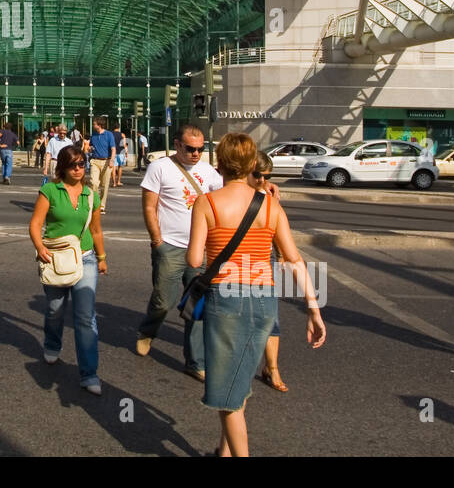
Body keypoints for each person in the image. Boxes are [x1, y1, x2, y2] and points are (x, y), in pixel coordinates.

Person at [188, 133, 325, 457]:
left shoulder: (207, 203)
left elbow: (194, 260)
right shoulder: (270, 206)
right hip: (264, 296)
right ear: (252, 164)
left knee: (226, 397)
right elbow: (293, 259)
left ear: (218, 164)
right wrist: (313, 308)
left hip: (227, 297)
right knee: (239, 378)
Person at [135, 124, 224, 378]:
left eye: (200, 149)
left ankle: (195, 362)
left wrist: (262, 190)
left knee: (196, 306)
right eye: (190, 149)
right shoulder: (159, 168)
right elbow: (150, 207)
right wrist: (157, 241)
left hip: (199, 247)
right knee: (163, 301)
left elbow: (228, 193)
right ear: (177, 145)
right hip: (169, 247)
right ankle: (148, 330)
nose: (196, 154)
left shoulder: (208, 172)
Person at [29, 144, 107, 396]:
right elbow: (36, 224)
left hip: (85, 259)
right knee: (55, 310)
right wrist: (40, 247)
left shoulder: (90, 194)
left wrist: (102, 257)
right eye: (72, 165)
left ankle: (89, 373)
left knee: (85, 316)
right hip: (55, 257)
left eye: (81, 164)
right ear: (62, 167)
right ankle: (52, 343)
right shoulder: (50, 190)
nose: (77, 169)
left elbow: (95, 230)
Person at [252, 151, 288, 392]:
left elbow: (277, 227)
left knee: (270, 316)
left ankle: (271, 367)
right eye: (258, 175)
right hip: (235, 265)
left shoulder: (269, 196)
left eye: (267, 176)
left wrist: (282, 254)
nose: (263, 181)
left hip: (264, 264)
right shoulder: (230, 191)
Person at [85, 116, 116, 214]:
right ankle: (95, 202)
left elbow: (113, 149)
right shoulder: (93, 135)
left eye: (94, 124)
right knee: (93, 182)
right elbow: (91, 147)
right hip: (95, 161)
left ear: (99, 124)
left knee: (104, 185)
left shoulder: (109, 134)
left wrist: (112, 160)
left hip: (106, 162)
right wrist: (90, 149)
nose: (93, 125)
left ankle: (102, 206)